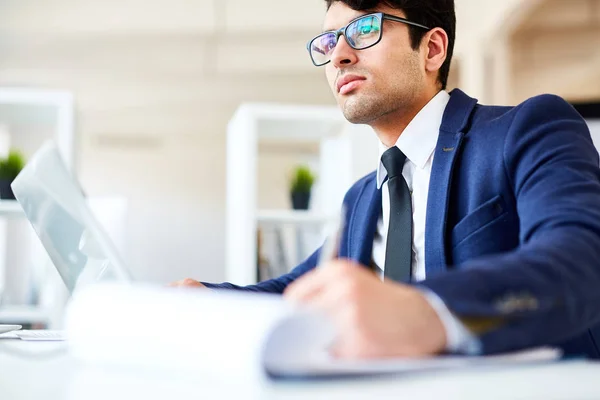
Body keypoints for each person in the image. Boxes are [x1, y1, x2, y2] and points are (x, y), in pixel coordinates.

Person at [171, 0, 600, 359]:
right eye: (328, 41)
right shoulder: (359, 198)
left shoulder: (528, 129)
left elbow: (582, 261)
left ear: (432, 49)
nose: (338, 55)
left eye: (364, 29)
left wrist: (427, 312)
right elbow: (299, 289)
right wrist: (210, 300)